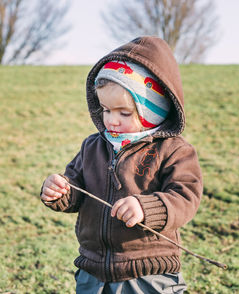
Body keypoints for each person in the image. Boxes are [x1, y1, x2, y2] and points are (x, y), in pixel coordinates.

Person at [40, 36, 203, 293]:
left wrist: (146, 207)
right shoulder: (93, 146)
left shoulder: (173, 150)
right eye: (105, 110)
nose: (112, 120)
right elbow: (74, 190)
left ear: (152, 110)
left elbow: (186, 196)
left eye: (124, 113)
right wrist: (59, 191)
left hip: (149, 273)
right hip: (93, 271)